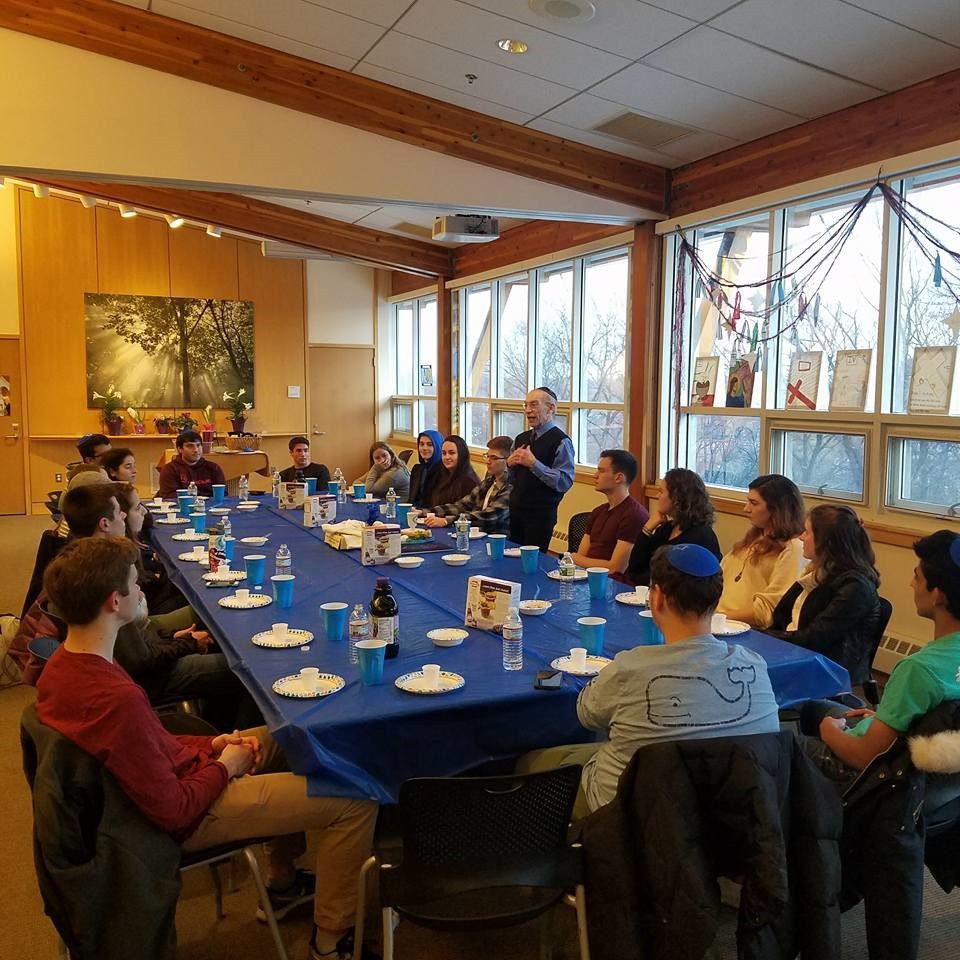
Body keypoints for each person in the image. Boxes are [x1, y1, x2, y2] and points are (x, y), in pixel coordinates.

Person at [34, 537, 378, 960]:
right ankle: (331, 943)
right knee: (357, 797)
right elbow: (173, 809)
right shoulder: (112, 695)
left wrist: (212, 743)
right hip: (173, 817)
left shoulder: (67, 666)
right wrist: (226, 767)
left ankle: (282, 879)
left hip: (165, 782)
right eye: (134, 582)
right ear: (114, 602)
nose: (143, 588)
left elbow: (143, 741)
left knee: (298, 734)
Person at [517, 543, 779, 816]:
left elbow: (586, 716)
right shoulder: (754, 665)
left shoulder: (631, 667)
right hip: (731, 813)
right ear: (716, 598)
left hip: (632, 816)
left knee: (530, 764)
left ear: (658, 598)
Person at [803, 530, 960, 780]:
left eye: (916, 578)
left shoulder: (918, 670)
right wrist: (888, 717)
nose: (911, 585)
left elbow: (864, 757)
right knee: (814, 708)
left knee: (785, 744)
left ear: (938, 595)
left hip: (874, 780)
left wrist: (829, 731)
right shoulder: (937, 667)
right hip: (939, 788)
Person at [767, 504, 881, 685]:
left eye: (807, 532)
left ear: (825, 541)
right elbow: (782, 618)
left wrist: (760, 636)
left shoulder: (855, 587)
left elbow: (812, 639)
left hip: (826, 673)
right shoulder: (818, 574)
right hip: (799, 658)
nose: (801, 537)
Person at [717, 473, 805, 628]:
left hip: (746, 630)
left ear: (776, 508)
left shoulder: (793, 548)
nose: (746, 509)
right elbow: (717, 580)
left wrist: (719, 617)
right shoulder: (752, 539)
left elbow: (771, 609)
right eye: (747, 502)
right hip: (719, 621)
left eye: (754, 503)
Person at [624, 468, 721, 586]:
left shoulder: (701, 536)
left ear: (677, 497)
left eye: (661, 491)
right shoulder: (666, 529)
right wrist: (648, 528)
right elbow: (635, 567)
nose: (657, 495)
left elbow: (682, 582)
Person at [507, 386, 575, 550]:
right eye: (526, 405)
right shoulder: (521, 438)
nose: (528, 411)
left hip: (540, 515)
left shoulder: (561, 441)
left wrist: (534, 464)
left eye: (534, 405)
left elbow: (564, 482)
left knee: (531, 564)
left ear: (551, 408)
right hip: (515, 511)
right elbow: (509, 479)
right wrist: (508, 464)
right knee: (511, 561)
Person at [569, 449, 648, 576]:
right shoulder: (598, 511)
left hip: (614, 585)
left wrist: (577, 559)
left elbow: (616, 568)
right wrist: (577, 560)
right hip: (587, 577)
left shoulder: (634, 515)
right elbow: (580, 556)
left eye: (601, 471)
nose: (595, 475)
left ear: (619, 478)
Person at [423, 435, 513, 534]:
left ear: (508, 460)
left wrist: (447, 521)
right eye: (487, 456)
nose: (488, 461)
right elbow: (462, 505)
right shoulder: (489, 481)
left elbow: (488, 516)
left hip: (497, 540)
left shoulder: (510, 485)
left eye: (493, 458)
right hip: (475, 535)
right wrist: (425, 512)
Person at [157, 430, 227, 498]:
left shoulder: (213, 468)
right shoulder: (169, 469)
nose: (196, 450)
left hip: (211, 506)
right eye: (190, 446)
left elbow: (224, 493)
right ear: (180, 449)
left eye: (198, 445)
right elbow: (169, 496)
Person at [427, 435, 480, 508]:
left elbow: (463, 511)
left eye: (452, 453)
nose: (447, 457)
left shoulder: (468, 481)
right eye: (444, 453)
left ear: (462, 455)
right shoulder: (442, 475)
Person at [408, 429, 444, 507]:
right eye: (421, 444)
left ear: (438, 446)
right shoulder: (417, 469)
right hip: (414, 513)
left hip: (433, 515)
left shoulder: (443, 471)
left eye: (430, 444)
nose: (424, 448)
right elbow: (411, 500)